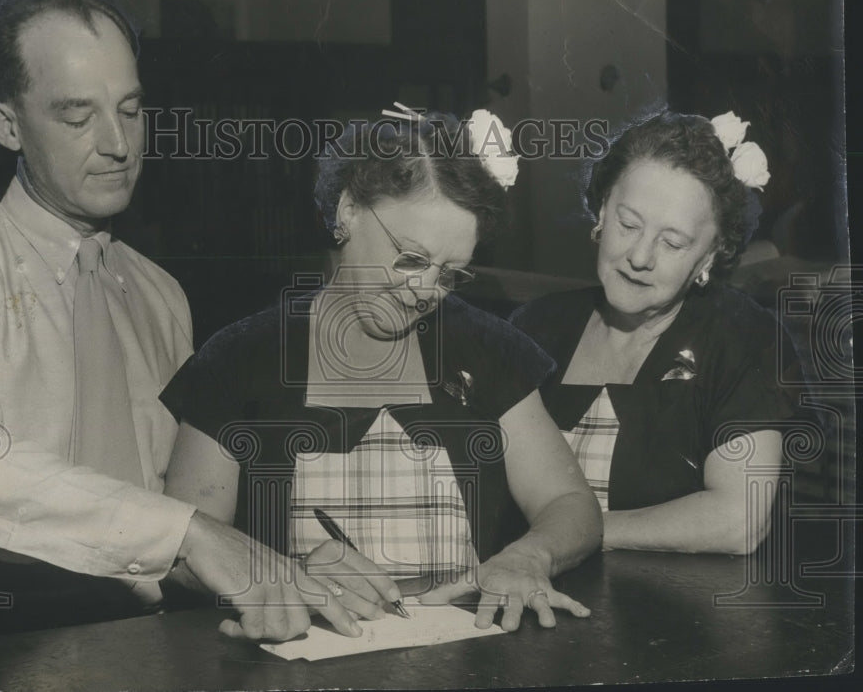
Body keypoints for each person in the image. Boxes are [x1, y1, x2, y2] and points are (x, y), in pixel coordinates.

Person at [0, 0, 357, 643]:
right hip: (2, 644)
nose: (118, 144)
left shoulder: (160, 292)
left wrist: (298, 560)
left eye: (131, 110)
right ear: (7, 125)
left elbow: (191, 498)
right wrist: (186, 535)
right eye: (78, 116)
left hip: (155, 642)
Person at [160, 110, 603, 633]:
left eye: (449, 274)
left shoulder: (487, 348)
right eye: (411, 259)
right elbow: (180, 549)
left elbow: (569, 501)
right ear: (348, 210)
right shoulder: (238, 360)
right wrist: (284, 577)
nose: (423, 291)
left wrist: (530, 557)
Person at [509, 110, 801, 555]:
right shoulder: (536, 326)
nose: (640, 256)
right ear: (603, 210)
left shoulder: (741, 336)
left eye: (673, 242)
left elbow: (740, 519)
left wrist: (564, 536)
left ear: (710, 255)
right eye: (628, 224)